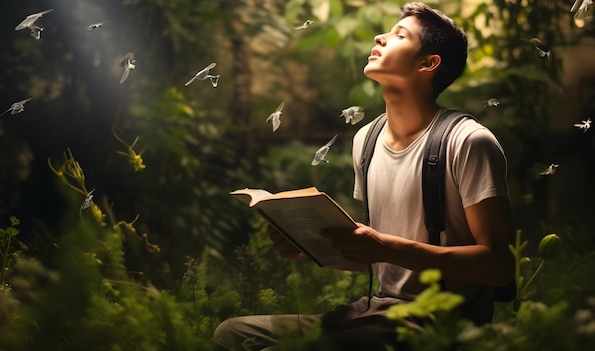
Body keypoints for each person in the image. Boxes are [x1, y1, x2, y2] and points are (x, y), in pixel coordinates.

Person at [213, 2, 515, 350]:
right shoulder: (366, 140)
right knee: (231, 334)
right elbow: (374, 255)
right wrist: (312, 245)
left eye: (400, 35)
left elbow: (499, 266)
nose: (380, 36)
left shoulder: (467, 141)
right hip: (377, 311)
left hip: (441, 322)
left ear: (428, 64)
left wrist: (386, 247)